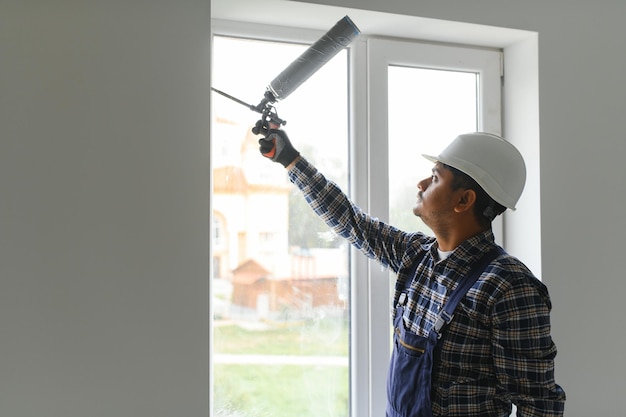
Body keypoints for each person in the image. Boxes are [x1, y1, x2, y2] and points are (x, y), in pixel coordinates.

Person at [256, 122, 566, 417]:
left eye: (435, 177)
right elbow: (351, 221)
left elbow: (538, 404)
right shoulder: (415, 256)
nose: (421, 183)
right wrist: (289, 160)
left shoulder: (509, 287)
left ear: (464, 200)